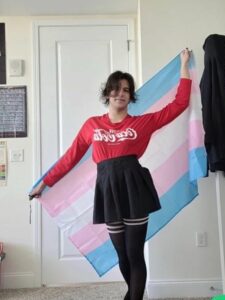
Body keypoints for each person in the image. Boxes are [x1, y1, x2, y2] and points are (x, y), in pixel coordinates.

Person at [29, 48, 191, 300]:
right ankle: (132, 293)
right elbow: (71, 156)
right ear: (107, 94)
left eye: (126, 90)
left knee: (135, 252)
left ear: (131, 96)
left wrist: (183, 67)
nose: (121, 94)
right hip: (108, 191)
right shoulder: (92, 125)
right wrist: (44, 183)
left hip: (134, 187)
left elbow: (179, 104)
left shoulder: (141, 123)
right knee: (122, 254)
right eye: (116, 89)